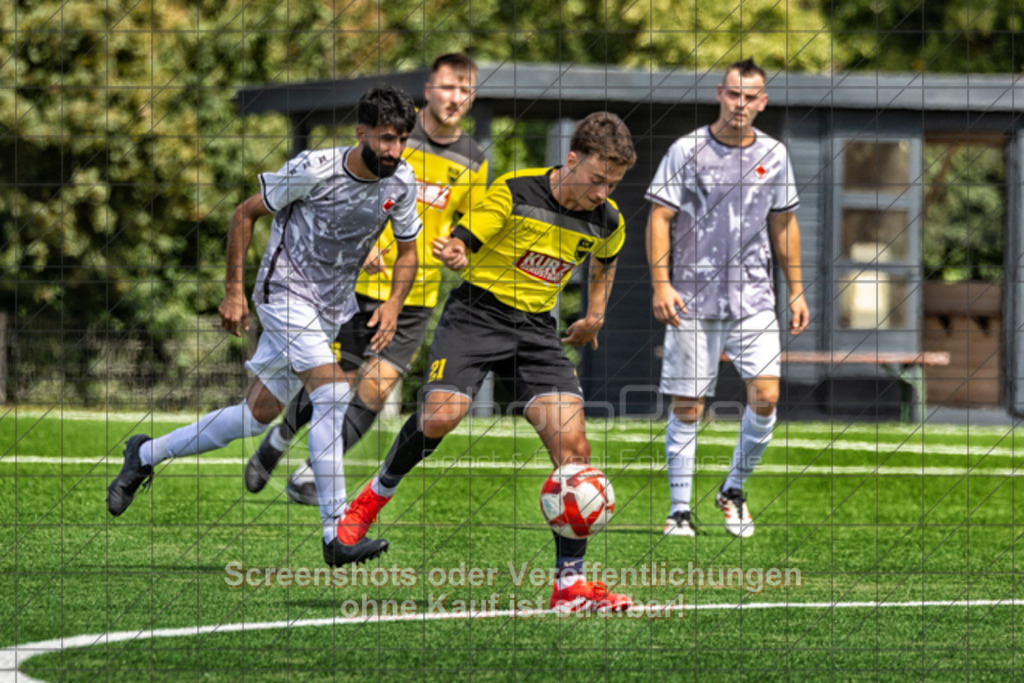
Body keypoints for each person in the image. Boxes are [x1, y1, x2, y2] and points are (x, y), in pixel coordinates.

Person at [106, 85, 422, 567]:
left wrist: (396, 303)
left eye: (401, 139)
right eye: (384, 138)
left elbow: (409, 249)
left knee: (253, 416)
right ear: (360, 133)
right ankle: (336, 532)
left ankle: (144, 454)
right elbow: (245, 213)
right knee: (334, 394)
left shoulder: (402, 182)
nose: (393, 150)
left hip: (327, 309)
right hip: (282, 293)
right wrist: (233, 291)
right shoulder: (314, 170)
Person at [335, 112, 639, 611]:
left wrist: (595, 317)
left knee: (575, 449)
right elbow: (467, 237)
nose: (603, 192)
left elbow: (606, 262)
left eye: (613, 183)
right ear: (572, 160)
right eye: (597, 179)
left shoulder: (607, 220)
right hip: (478, 314)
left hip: (537, 331)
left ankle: (569, 586)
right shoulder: (514, 192)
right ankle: (372, 497)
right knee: (441, 415)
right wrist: (455, 251)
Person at [243, 54, 489, 506]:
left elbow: (466, 225)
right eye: (449, 87)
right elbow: (349, 186)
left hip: (416, 294)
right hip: (357, 287)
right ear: (429, 89)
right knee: (335, 381)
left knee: (375, 390)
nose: (456, 98)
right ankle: (278, 442)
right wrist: (364, 240)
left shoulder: (474, 160)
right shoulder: (394, 135)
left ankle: (308, 476)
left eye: (466, 90)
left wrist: (458, 250)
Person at [645, 58, 809, 539]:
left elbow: (784, 223)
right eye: (733, 94)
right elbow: (659, 218)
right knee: (688, 406)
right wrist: (661, 284)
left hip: (755, 298)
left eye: (750, 96)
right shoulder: (686, 150)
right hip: (691, 298)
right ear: (721, 94)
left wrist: (796, 290)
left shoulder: (776, 154)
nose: (741, 104)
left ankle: (732, 489)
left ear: (763, 102)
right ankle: (679, 511)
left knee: (767, 396)